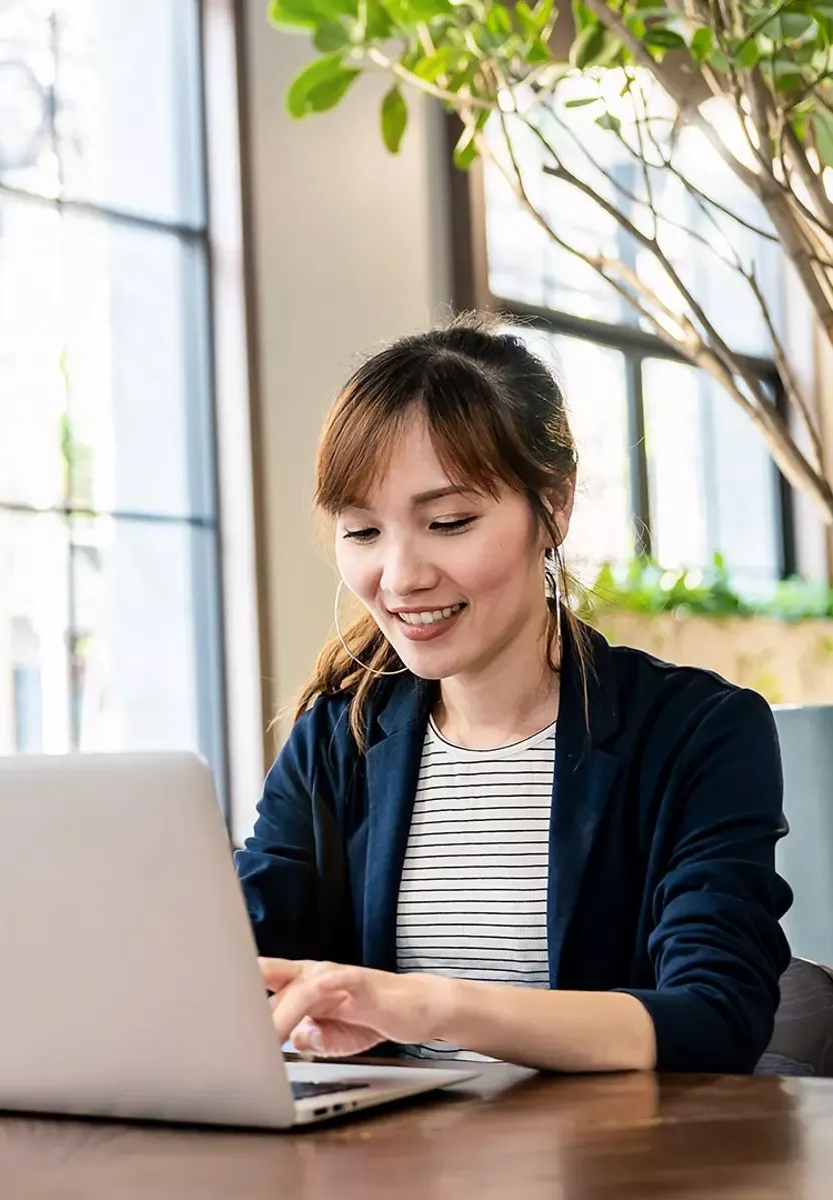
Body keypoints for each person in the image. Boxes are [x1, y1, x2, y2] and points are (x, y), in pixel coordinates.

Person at [236, 312, 792, 1074]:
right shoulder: (342, 735)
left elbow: (715, 1014)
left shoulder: (698, 731)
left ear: (553, 507)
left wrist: (427, 1004)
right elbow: (234, 961)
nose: (400, 578)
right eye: (362, 532)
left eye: (449, 521)